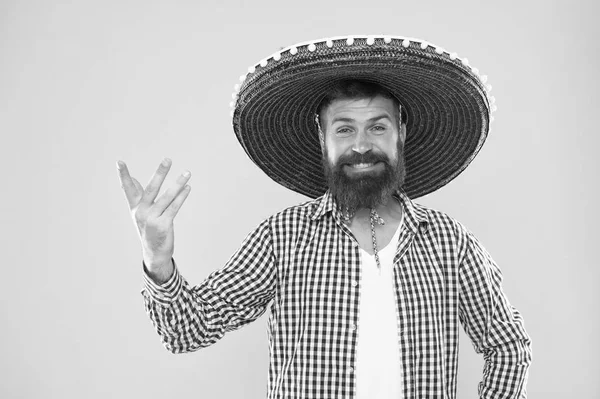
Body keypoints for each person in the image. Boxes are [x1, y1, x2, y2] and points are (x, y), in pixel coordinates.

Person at [117, 35, 532, 399]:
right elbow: (187, 331)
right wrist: (157, 259)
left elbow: (509, 346)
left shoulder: (449, 242)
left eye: (378, 127)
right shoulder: (283, 237)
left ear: (401, 133)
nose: (362, 145)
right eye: (345, 129)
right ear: (323, 138)